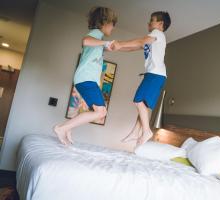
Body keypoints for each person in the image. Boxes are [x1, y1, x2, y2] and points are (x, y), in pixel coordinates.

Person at [54, 7, 117, 145]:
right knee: (101, 112)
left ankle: (68, 128)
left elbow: (96, 46)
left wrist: (108, 46)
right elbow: (86, 41)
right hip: (86, 78)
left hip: (86, 79)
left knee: (101, 111)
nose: (113, 28)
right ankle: (62, 128)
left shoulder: (99, 39)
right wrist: (106, 43)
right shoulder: (96, 33)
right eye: (112, 24)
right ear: (104, 22)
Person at [112, 11, 171, 147]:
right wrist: (117, 48)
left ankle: (146, 131)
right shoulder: (155, 37)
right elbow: (136, 47)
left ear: (160, 23)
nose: (149, 23)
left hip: (155, 74)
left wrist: (120, 43)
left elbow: (141, 41)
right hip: (155, 74)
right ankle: (135, 132)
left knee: (139, 101)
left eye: (152, 20)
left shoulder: (157, 33)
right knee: (143, 105)